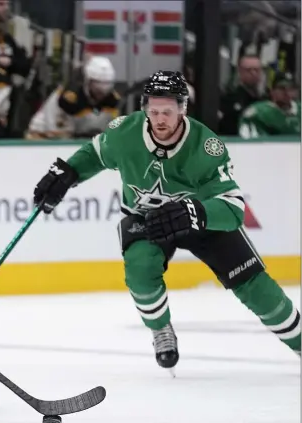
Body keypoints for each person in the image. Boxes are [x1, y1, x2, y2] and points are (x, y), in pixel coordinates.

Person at [31, 70, 301, 373]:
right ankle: (160, 329)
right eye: (154, 111)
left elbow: (234, 208)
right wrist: (68, 174)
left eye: (168, 112)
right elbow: (94, 154)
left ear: (183, 109)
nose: (160, 120)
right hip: (147, 218)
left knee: (256, 286)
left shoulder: (206, 147)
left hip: (200, 220)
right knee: (139, 269)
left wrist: (194, 212)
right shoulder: (125, 134)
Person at [26, 56, 121, 139]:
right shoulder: (67, 98)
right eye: (98, 85)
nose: (103, 91)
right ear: (88, 81)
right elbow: (56, 131)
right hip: (42, 136)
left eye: (107, 85)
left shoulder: (112, 101)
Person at [238, 72, 300, 138]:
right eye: (281, 88)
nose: (287, 93)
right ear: (272, 91)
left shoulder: (300, 109)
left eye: (291, 88)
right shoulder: (258, 113)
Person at [219, 54, 268, 136]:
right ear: (240, 72)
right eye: (248, 70)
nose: (253, 73)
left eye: (256, 70)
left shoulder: (267, 100)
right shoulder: (229, 100)